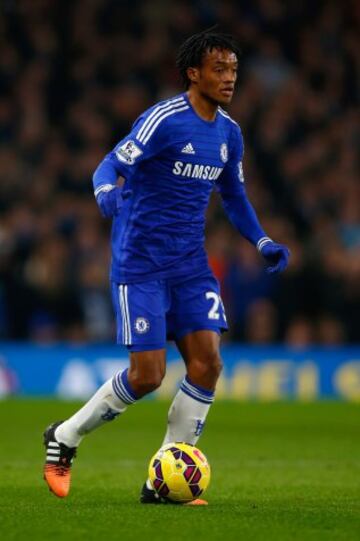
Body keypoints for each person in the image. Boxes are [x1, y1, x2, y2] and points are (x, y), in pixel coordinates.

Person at [43, 29, 290, 504]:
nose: (229, 78)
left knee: (208, 363)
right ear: (193, 73)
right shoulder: (165, 120)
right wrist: (106, 194)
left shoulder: (230, 134)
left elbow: (234, 196)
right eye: (219, 69)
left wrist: (261, 241)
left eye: (234, 70)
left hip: (191, 265)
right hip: (141, 265)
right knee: (148, 375)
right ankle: (66, 435)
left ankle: (163, 481)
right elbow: (108, 165)